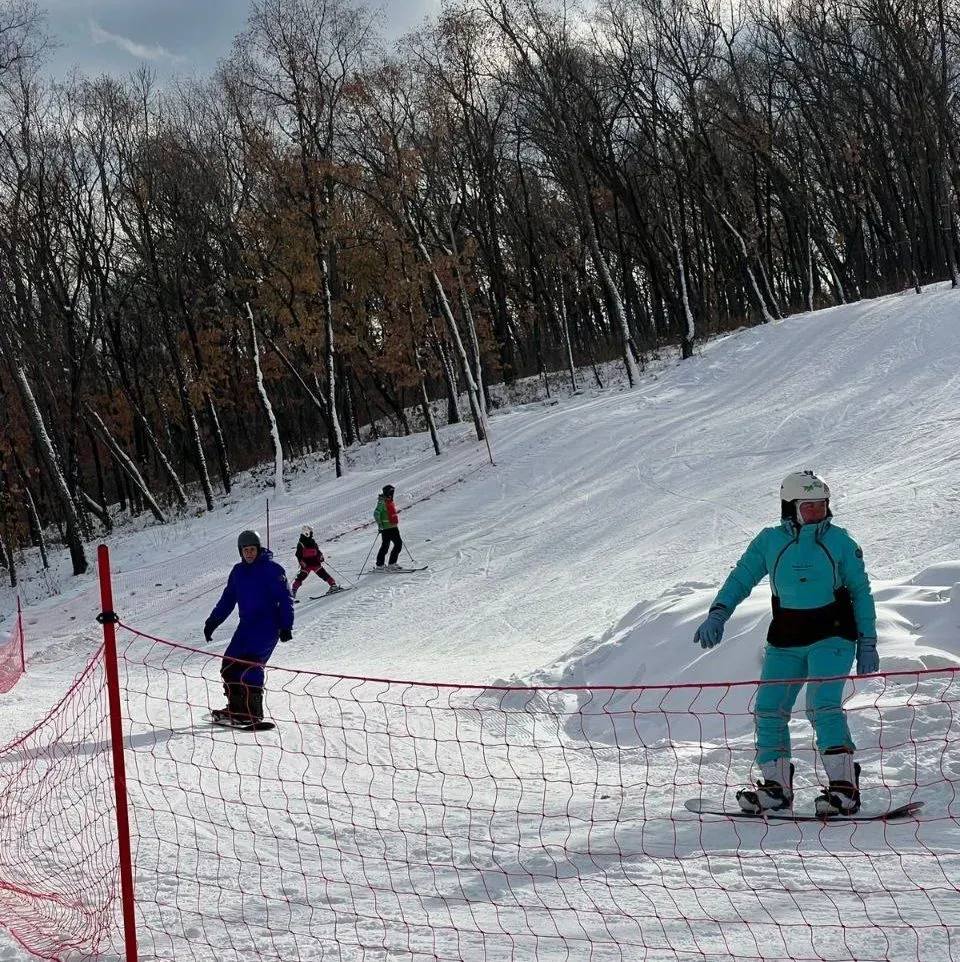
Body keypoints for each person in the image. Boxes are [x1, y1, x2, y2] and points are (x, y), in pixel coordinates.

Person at [693, 471, 878, 815]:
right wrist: (719, 612)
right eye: (809, 508)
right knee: (769, 708)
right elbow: (741, 577)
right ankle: (777, 788)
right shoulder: (769, 541)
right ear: (790, 508)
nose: (817, 513)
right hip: (786, 637)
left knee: (821, 704)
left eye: (822, 506)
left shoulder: (840, 541)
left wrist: (868, 641)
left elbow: (861, 592)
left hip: (833, 632)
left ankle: (845, 788)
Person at [204, 530, 294, 723]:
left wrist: (286, 626)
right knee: (229, 664)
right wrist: (213, 621)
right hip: (245, 626)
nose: (249, 553)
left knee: (250, 665)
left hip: (267, 626)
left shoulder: (273, 570)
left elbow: (285, 599)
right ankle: (236, 709)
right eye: (245, 550)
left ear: (258, 549)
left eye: (252, 549)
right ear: (240, 552)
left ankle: (252, 712)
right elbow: (228, 599)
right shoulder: (238, 572)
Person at [291, 525, 342, 599]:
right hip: (307, 565)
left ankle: (333, 586)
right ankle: (293, 593)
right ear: (306, 532)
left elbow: (317, 551)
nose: (312, 533)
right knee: (300, 578)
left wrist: (321, 556)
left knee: (323, 574)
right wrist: (301, 562)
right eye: (311, 532)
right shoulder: (301, 543)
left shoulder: (312, 542)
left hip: (314, 564)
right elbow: (298, 554)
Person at [374, 484, 403, 569]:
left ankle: (391, 563)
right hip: (386, 528)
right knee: (387, 546)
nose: (392, 493)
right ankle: (380, 564)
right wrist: (380, 525)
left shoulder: (390, 501)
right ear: (386, 492)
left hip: (393, 527)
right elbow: (376, 513)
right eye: (390, 492)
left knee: (396, 545)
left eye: (393, 492)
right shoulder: (382, 502)